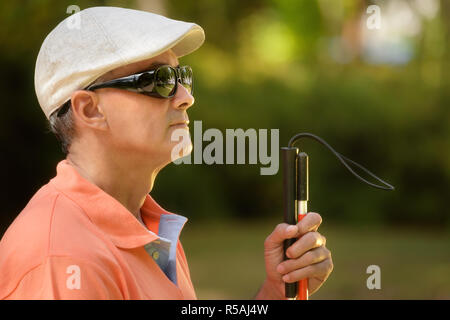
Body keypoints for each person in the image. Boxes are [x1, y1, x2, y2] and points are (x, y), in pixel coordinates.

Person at [0, 6, 333, 300]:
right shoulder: (64, 259)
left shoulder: (144, 223)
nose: (186, 96)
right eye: (159, 80)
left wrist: (275, 291)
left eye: (182, 76)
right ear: (90, 110)